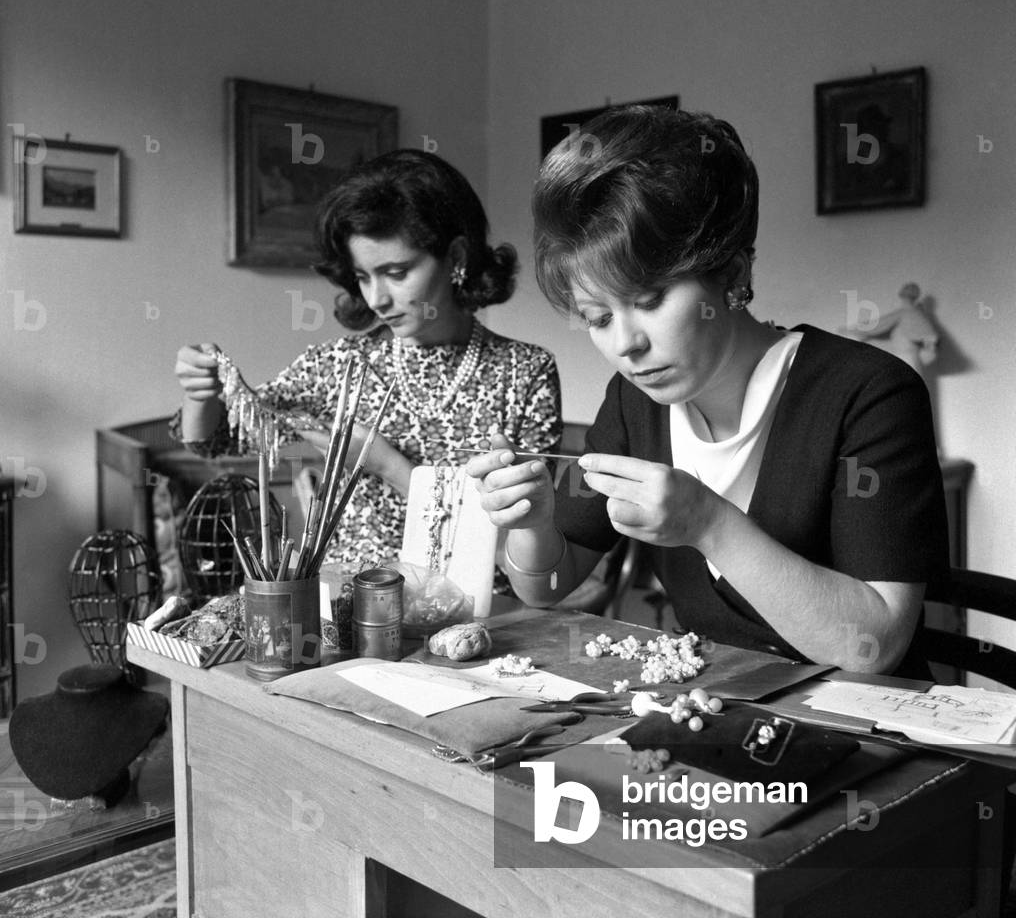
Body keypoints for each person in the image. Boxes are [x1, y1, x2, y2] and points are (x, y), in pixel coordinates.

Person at [468, 106, 948, 677]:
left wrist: (710, 525)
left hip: (873, 739)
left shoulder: (869, 395)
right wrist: (531, 523)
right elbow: (548, 587)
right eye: (597, 318)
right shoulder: (634, 402)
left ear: (733, 273)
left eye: (649, 301)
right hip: (717, 717)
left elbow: (875, 646)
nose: (627, 345)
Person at [174, 149, 561, 573]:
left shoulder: (526, 372)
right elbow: (213, 443)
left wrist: (390, 468)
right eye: (362, 276)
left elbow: (518, 546)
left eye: (396, 273)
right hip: (354, 610)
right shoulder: (340, 364)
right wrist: (201, 394)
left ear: (456, 257)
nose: (376, 299)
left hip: (484, 610)